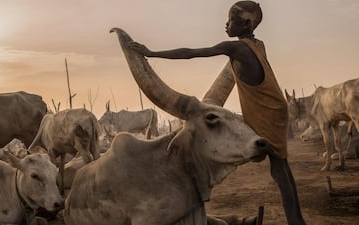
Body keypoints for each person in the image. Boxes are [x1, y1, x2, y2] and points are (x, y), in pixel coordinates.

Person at [128, 1, 307, 225]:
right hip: (275, 108)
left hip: (267, 113)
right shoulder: (257, 44)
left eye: (231, 20)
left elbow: (192, 53)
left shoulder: (237, 48)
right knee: (282, 169)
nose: (226, 24)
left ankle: (296, 222)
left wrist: (151, 52)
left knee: (279, 172)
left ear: (247, 24)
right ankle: (297, 220)